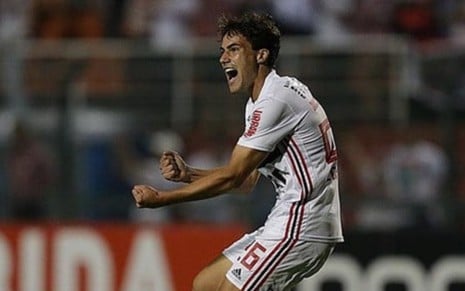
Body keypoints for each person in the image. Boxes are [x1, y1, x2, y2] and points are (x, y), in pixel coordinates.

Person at [131, 11, 344, 290]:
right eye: (222, 51)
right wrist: (189, 174)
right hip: (288, 223)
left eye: (234, 50)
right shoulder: (266, 98)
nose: (223, 58)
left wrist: (162, 198)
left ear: (261, 55)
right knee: (205, 285)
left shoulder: (274, 101)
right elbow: (246, 181)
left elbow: (232, 177)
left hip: (302, 227)